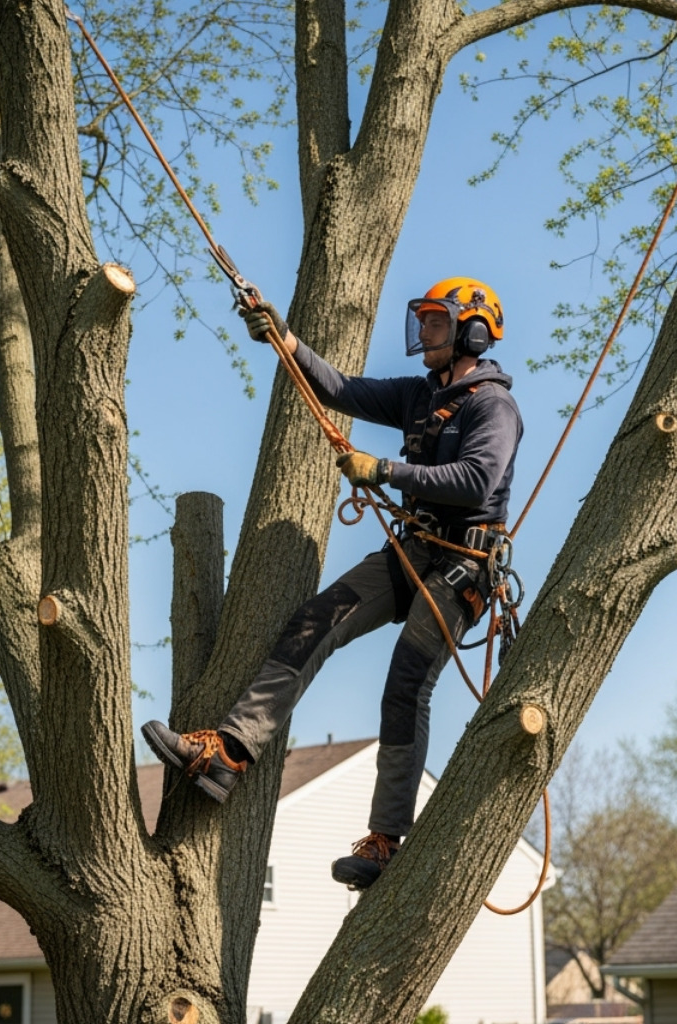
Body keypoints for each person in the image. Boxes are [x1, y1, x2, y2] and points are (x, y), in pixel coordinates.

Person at [142, 277, 523, 889]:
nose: (422, 333)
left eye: (434, 322)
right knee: (316, 620)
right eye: (422, 320)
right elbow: (341, 389)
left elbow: (478, 480)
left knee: (405, 683)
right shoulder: (419, 396)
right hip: (412, 548)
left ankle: (384, 841)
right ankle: (231, 753)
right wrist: (283, 337)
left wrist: (387, 470)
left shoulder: (491, 406)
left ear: (471, 333)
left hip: (461, 567)